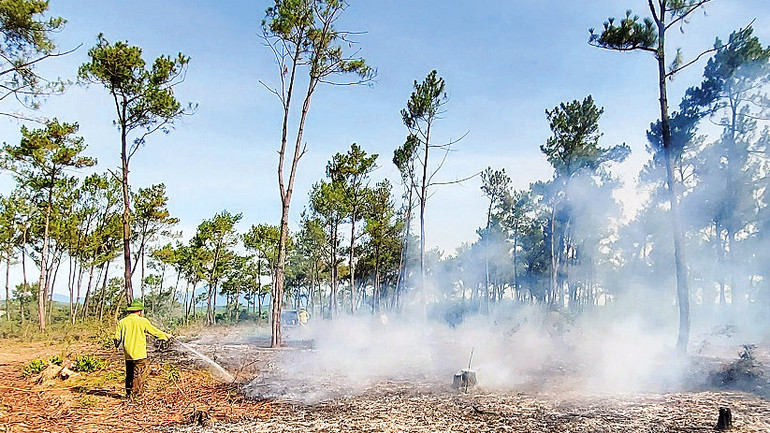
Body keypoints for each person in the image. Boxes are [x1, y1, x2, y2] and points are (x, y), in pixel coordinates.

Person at [113, 299, 173, 398]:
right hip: (139, 354)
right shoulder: (143, 321)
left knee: (129, 374)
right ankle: (136, 396)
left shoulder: (122, 322)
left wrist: (116, 345)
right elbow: (154, 332)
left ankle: (128, 394)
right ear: (139, 311)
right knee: (139, 375)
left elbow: (116, 337)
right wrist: (166, 336)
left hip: (128, 354)